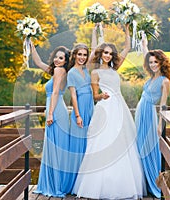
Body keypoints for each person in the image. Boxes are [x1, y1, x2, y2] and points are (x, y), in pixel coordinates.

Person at [72, 23, 146, 199]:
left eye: (110, 53)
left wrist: (128, 29)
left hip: (119, 108)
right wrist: (101, 96)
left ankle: (122, 185)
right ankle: (99, 185)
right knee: (102, 142)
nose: (107, 55)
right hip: (104, 108)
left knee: (123, 143)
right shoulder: (95, 73)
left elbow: (127, 47)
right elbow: (94, 96)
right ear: (100, 54)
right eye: (105, 52)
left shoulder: (115, 68)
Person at [135, 33, 170, 198]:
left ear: (161, 63)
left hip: (150, 115)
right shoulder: (151, 77)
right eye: (150, 62)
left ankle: (154, 183)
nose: (152, 65)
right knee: (138, 145)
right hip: (140, 113)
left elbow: (163, 105)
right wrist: (144, 44)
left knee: (150, 147)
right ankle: (142, 181)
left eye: (155, 62)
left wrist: (160, 124)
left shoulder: (164, 81)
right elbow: (146, 56)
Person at [30, 42, 72, 197]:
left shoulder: (59, 71)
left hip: (56, 111)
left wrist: (50, 114)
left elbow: (55, 92)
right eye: (56, 56)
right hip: (57, 109)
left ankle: (55, 185)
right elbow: (38, 62)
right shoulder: (58, 71)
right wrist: (31, 45)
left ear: (66, 61)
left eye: (61, 58)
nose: (57, 60)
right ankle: (57, 182)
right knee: (55, 147)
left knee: (55, 147)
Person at [64, 43, 94, 193]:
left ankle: (87, 183)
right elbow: (73, 95)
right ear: (74, 55)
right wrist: (77, 115)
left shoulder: (86, 70)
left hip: (91, 107)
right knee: (78, 144)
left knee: (90, 143)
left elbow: (95, 49)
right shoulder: (71, 73)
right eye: (79, 54)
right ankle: (75, 184)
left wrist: (97, 27)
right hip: (80, 108)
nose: (82, 57)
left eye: (84, 55)